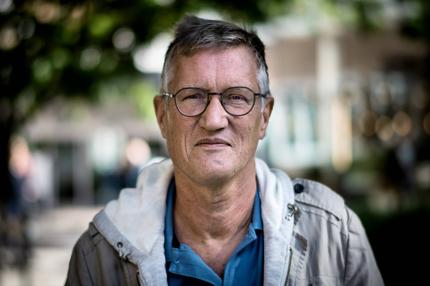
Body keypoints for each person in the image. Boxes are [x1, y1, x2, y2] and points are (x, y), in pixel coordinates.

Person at [66, 15, 384, 286]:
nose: (214, 120)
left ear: (265, 116)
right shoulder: (98, 256)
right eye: (192, 96)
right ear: (162, 116)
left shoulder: (334, 234)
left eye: (236, 97)